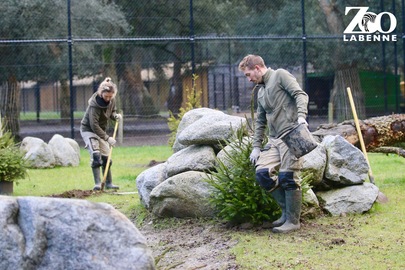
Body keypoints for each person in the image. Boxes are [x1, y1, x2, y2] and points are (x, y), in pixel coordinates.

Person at [238, 54, 309, 233]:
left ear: (257, 68)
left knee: (288, 177)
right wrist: (256, 147)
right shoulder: (261, 91)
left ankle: (293, 221)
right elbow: (260, 122)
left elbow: (300, 94)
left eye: (248, 75)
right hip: (275, 140)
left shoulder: (280, 75)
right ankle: (286, 213)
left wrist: (301, 116)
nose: (248, 79)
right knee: (262, 174)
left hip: (292, 134)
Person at [80, 77, 122, 191]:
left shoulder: (111, 100)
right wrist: (107, 138)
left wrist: (115, 116)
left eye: (110, 96)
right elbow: (94, 125)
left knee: (107, 158)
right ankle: (97, 183)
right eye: (106, 96)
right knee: (96, 155)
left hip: (101, 131)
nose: (108, 99)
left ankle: (109, 183)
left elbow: (112, 111)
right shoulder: (94, 105)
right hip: (89, 130)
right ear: (101, 93)